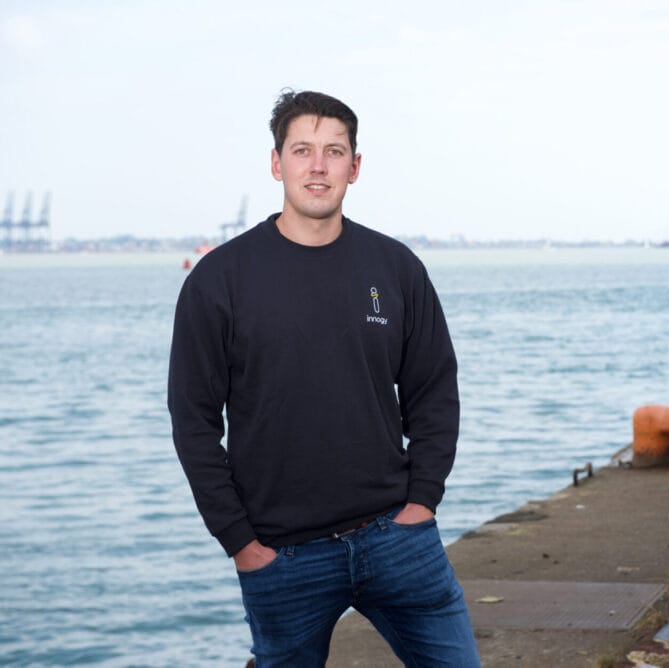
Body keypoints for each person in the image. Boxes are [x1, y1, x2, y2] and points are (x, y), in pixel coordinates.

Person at [167, 90, 480, 667]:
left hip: (398, 539)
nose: (318, 165)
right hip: (282, 555)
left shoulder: (396, 268)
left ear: (355, 167)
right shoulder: (219, 281)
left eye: (334, 151)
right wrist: (240, 541)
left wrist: (423, 502)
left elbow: (434, 389)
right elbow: (193, 423)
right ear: (275, 162)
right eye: (302, 150)